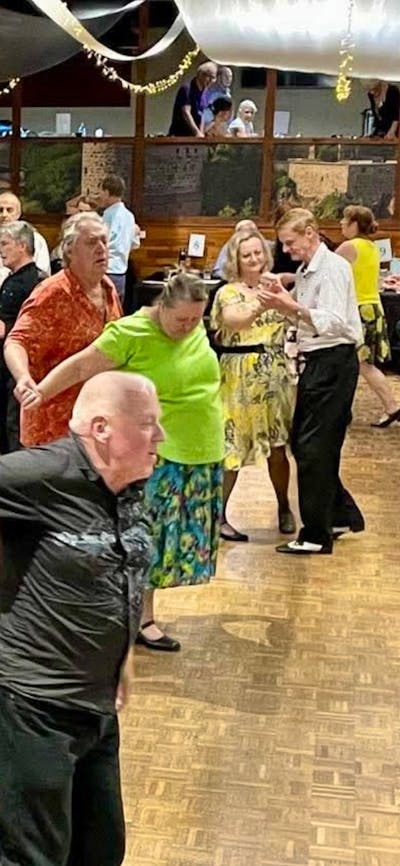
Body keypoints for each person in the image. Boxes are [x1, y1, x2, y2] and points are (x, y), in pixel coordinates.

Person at [0, 370, 164, 866]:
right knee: (34, 856)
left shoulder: (129, 486)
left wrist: (125, 653)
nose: (160, 435)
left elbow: (125, 573)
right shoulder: (40, 475)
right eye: (149, 424)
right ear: (101, 429)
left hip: (96, 707)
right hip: (32, 707)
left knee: (100, 848)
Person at [20, 272, 225, 652]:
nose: (190, 327)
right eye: (182, 320)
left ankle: (134, 614)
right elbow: (81, 366)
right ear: (162, 307)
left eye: (197, 320)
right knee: (146, 537)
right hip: (159, 453)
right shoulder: (130, 333)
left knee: (169, 545)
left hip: (202, 449)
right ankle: (138, 619)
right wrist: (40, 392)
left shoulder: (193, 326)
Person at [260, 207, 365, 555]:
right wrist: (289, 286)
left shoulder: (333, 268)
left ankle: (316, 534)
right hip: (319, 362)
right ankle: (338, 514)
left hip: (332, 361)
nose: (287, 252)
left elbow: (332, 321)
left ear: (310, 233)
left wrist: (289, 306)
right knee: (309, 444)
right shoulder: (309, 269)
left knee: (312, 447)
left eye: (291, 243)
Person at [4, 211, 122, 448]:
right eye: (91, 242)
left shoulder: (107, 287)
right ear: (69, 251)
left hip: (94, 421)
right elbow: (16, 341)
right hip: (52, 425)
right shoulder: (52, 292)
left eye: (104, 241)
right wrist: (23, 377)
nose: (101, 249)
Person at [210, 229, 296, 542]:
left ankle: (285, 507)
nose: (254, 259)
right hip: (237, 374)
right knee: (231, 447)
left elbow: (296, 318)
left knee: (278, 447)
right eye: (247, 255)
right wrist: (263, 303)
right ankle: (219, 515)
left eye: (258, 253)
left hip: (273, 374)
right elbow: (235, 321)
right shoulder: (227, 292)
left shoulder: (275, 287)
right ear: (237, 259)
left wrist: (283, 293)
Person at [336, 205, 400, 428]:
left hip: (359, 310)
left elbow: (327, 270)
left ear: (355, 224)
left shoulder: (349, 246)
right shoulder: (371, 246)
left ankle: (392, 406)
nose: (341, 224)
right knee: (354, 364)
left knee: (362, 363)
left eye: (345, 220)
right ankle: (344, 410)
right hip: (373, 308)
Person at [0, 221, 46, 452]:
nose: (1, 250)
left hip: (20, 366)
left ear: (21, 246)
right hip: (7, 362)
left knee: (13, 421)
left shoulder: (35, 282)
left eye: (5, 244)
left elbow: (34, 326)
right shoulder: (14, 279)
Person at [99, 173, 140, 302]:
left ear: (106, 192)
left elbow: (102, 243)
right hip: (121, 273)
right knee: (115, 313)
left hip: (106, 270)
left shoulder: (108, 216)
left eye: (101, 192)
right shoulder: (129, 216)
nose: (100, 196)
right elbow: (135, 243)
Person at [0, 191, 50, 277]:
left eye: (9, 210)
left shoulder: (35, 239)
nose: (4, 215)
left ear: (18, 213)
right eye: (0, 210)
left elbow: (42, 271)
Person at [168, 61, 217, 137]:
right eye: (209, 77)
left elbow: (204, 116)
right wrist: (197, 132)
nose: (211, 81)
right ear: (200, 75)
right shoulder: (187, 89)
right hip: (180, 136)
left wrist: (202, 133)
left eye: (213, 78)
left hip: (195, 138)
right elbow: (186, 113)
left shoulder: (206, 94)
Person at [200, 65, 233, 132]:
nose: (228, 79)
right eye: (226, 76)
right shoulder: (210, 93)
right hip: (210, 128)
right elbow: (206, 112)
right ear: (219, 77)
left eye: (230, 76)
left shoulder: (228, 94)